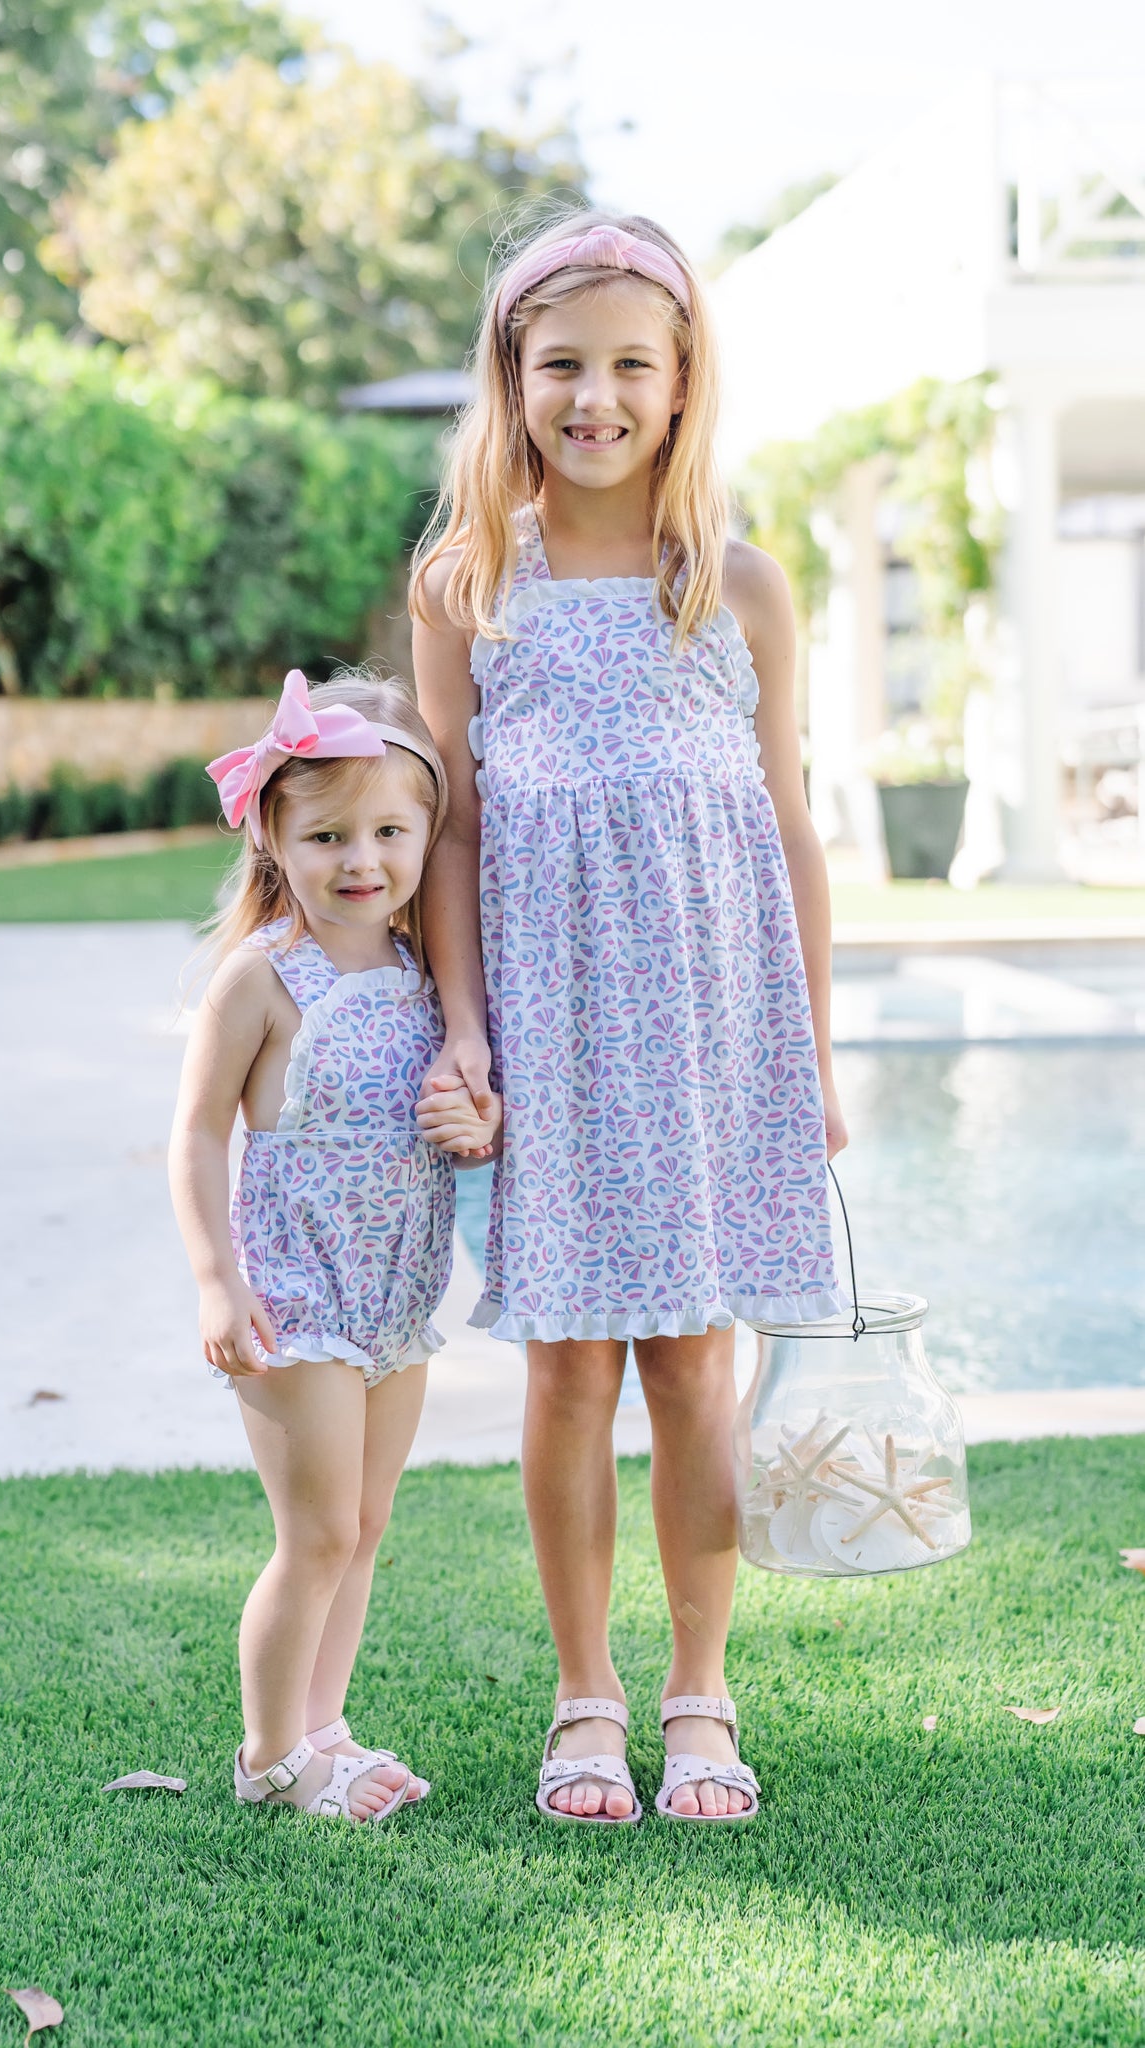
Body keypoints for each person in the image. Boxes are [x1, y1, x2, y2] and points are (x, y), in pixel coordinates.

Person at [411, 211, 847, 1825]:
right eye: (561, 364)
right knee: (569, 1372)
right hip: (553, 1022)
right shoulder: (468, 581)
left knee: (694, 1370)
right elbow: (449, 818)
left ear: (680, 386)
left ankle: (701, 1688)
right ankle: (584, 1688)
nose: (594, 396)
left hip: (711, 1030)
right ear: (512, 377)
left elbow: (787, 823)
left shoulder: (734, 583)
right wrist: (464, 1029)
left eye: (629, 367)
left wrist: (811, 1051)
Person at [168, 669, 501, 1824]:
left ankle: (326, 1725)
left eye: (389, 831)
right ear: (273, 834)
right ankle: (269, 1754)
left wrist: (475, 1119)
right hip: (297, 1297)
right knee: (312, 1532)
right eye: (327, 835)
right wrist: (219, 1280)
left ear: (426, 835)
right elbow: (198, 1135)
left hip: (395, 1300)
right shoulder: (261, 979)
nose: (362, 857)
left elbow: (457, 1128)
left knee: (364, 1526)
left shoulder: (423, 977)